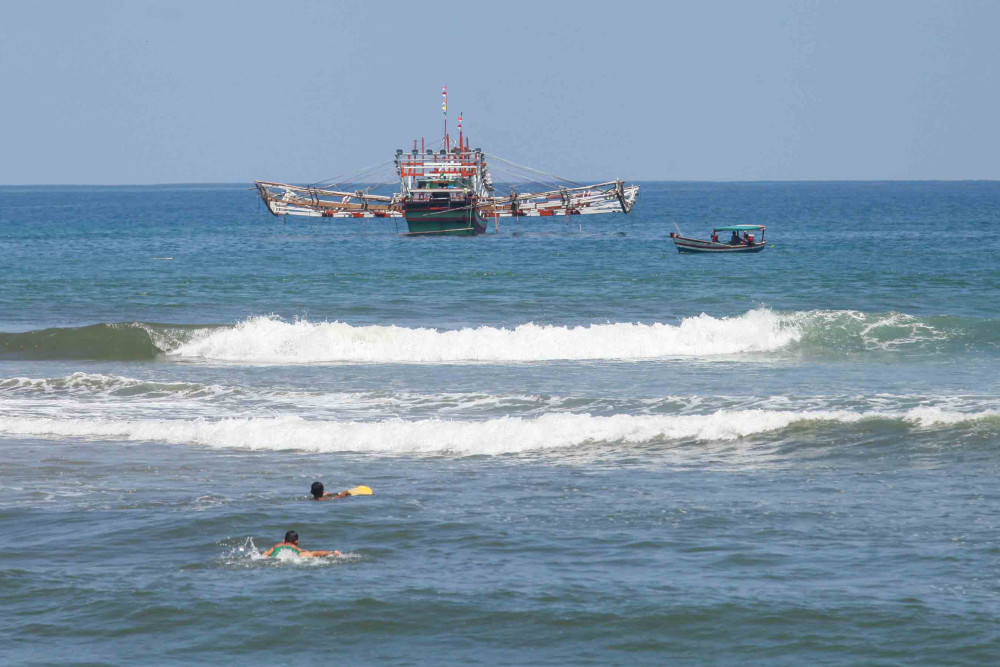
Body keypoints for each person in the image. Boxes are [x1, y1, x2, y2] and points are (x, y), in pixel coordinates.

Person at [263, 530, 340, 558]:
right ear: (296, 542)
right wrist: (331, 552)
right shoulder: (296, 549)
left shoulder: (277, 545)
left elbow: (264, 555)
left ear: (284, 541)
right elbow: (314, 553)